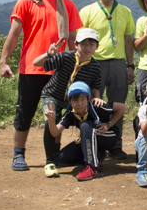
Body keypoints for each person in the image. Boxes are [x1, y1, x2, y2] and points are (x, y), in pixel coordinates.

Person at [0, 0, 83, 172]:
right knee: (25, 112)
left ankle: (53, 155)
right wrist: (3, 62)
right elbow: (14, 33)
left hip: (60, 70)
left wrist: (77, 66)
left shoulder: (69, 6)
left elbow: (73, 40)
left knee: (54, 113)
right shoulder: (26, 1)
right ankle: (19, 154)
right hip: (31, 68)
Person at [79, 0, 136, 159]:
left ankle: (115, 144)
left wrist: (130, 65)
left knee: (118, 104)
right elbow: (80, 41)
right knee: (92, 104)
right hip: (94, 63)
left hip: (119, 63)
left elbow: (128, 41)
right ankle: (94, 142)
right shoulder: (87, 11)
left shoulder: (125, 11)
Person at [35, 28, 102, 178]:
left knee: (80, 122)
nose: (87, 48)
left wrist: (96, 99)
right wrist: (48, 54)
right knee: (50, 121)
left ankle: (79, 155)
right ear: (76, 44)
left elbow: (95, 87)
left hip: (73, 102)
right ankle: (49, 162)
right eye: (83, 44)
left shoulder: (95, 66)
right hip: (52, 95)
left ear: (97, 47)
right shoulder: (65, 57)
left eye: (92, 44)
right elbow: (36, 63)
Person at [44, 82, 127, 181]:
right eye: (75, 100)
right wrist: (51, 121)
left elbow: (123, 107)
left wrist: (108, 124)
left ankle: (93, 167)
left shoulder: (97, 105)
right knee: (63, 157)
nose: (79, 103)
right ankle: (97, 154)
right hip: (92, 137)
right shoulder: (70, 113)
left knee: (85, 126)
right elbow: (55, 132)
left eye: (82, 99)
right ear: (69, 101)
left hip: (108, 137)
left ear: (88, 99)